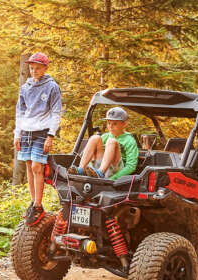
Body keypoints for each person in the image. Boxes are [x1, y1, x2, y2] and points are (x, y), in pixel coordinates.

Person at [13, 52, 63, 225]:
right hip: (26, 130)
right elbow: (20, 112)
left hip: (42, 131)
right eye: (31, 68)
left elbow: (56, 112)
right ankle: (33, 203)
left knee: (37, 166)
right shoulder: (25, 87)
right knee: (28, 165)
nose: (34, 71)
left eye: (37, 68)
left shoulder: (52, 87)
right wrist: (17, 134)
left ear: (45, 68)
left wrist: (51, 135)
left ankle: (38, 203)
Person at [72, 107, 138, 179]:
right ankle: (81, 169)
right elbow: (93, 151)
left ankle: (101, 172)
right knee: (95, 138)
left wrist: (114, 179)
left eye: (114, 124)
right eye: (109, 123)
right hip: (101, 165)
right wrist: (89, 167)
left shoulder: (129, 140)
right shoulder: (105, 136)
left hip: (116, 171)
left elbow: (131, 166)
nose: (110, 126)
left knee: (111, 141)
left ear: (124, 124)